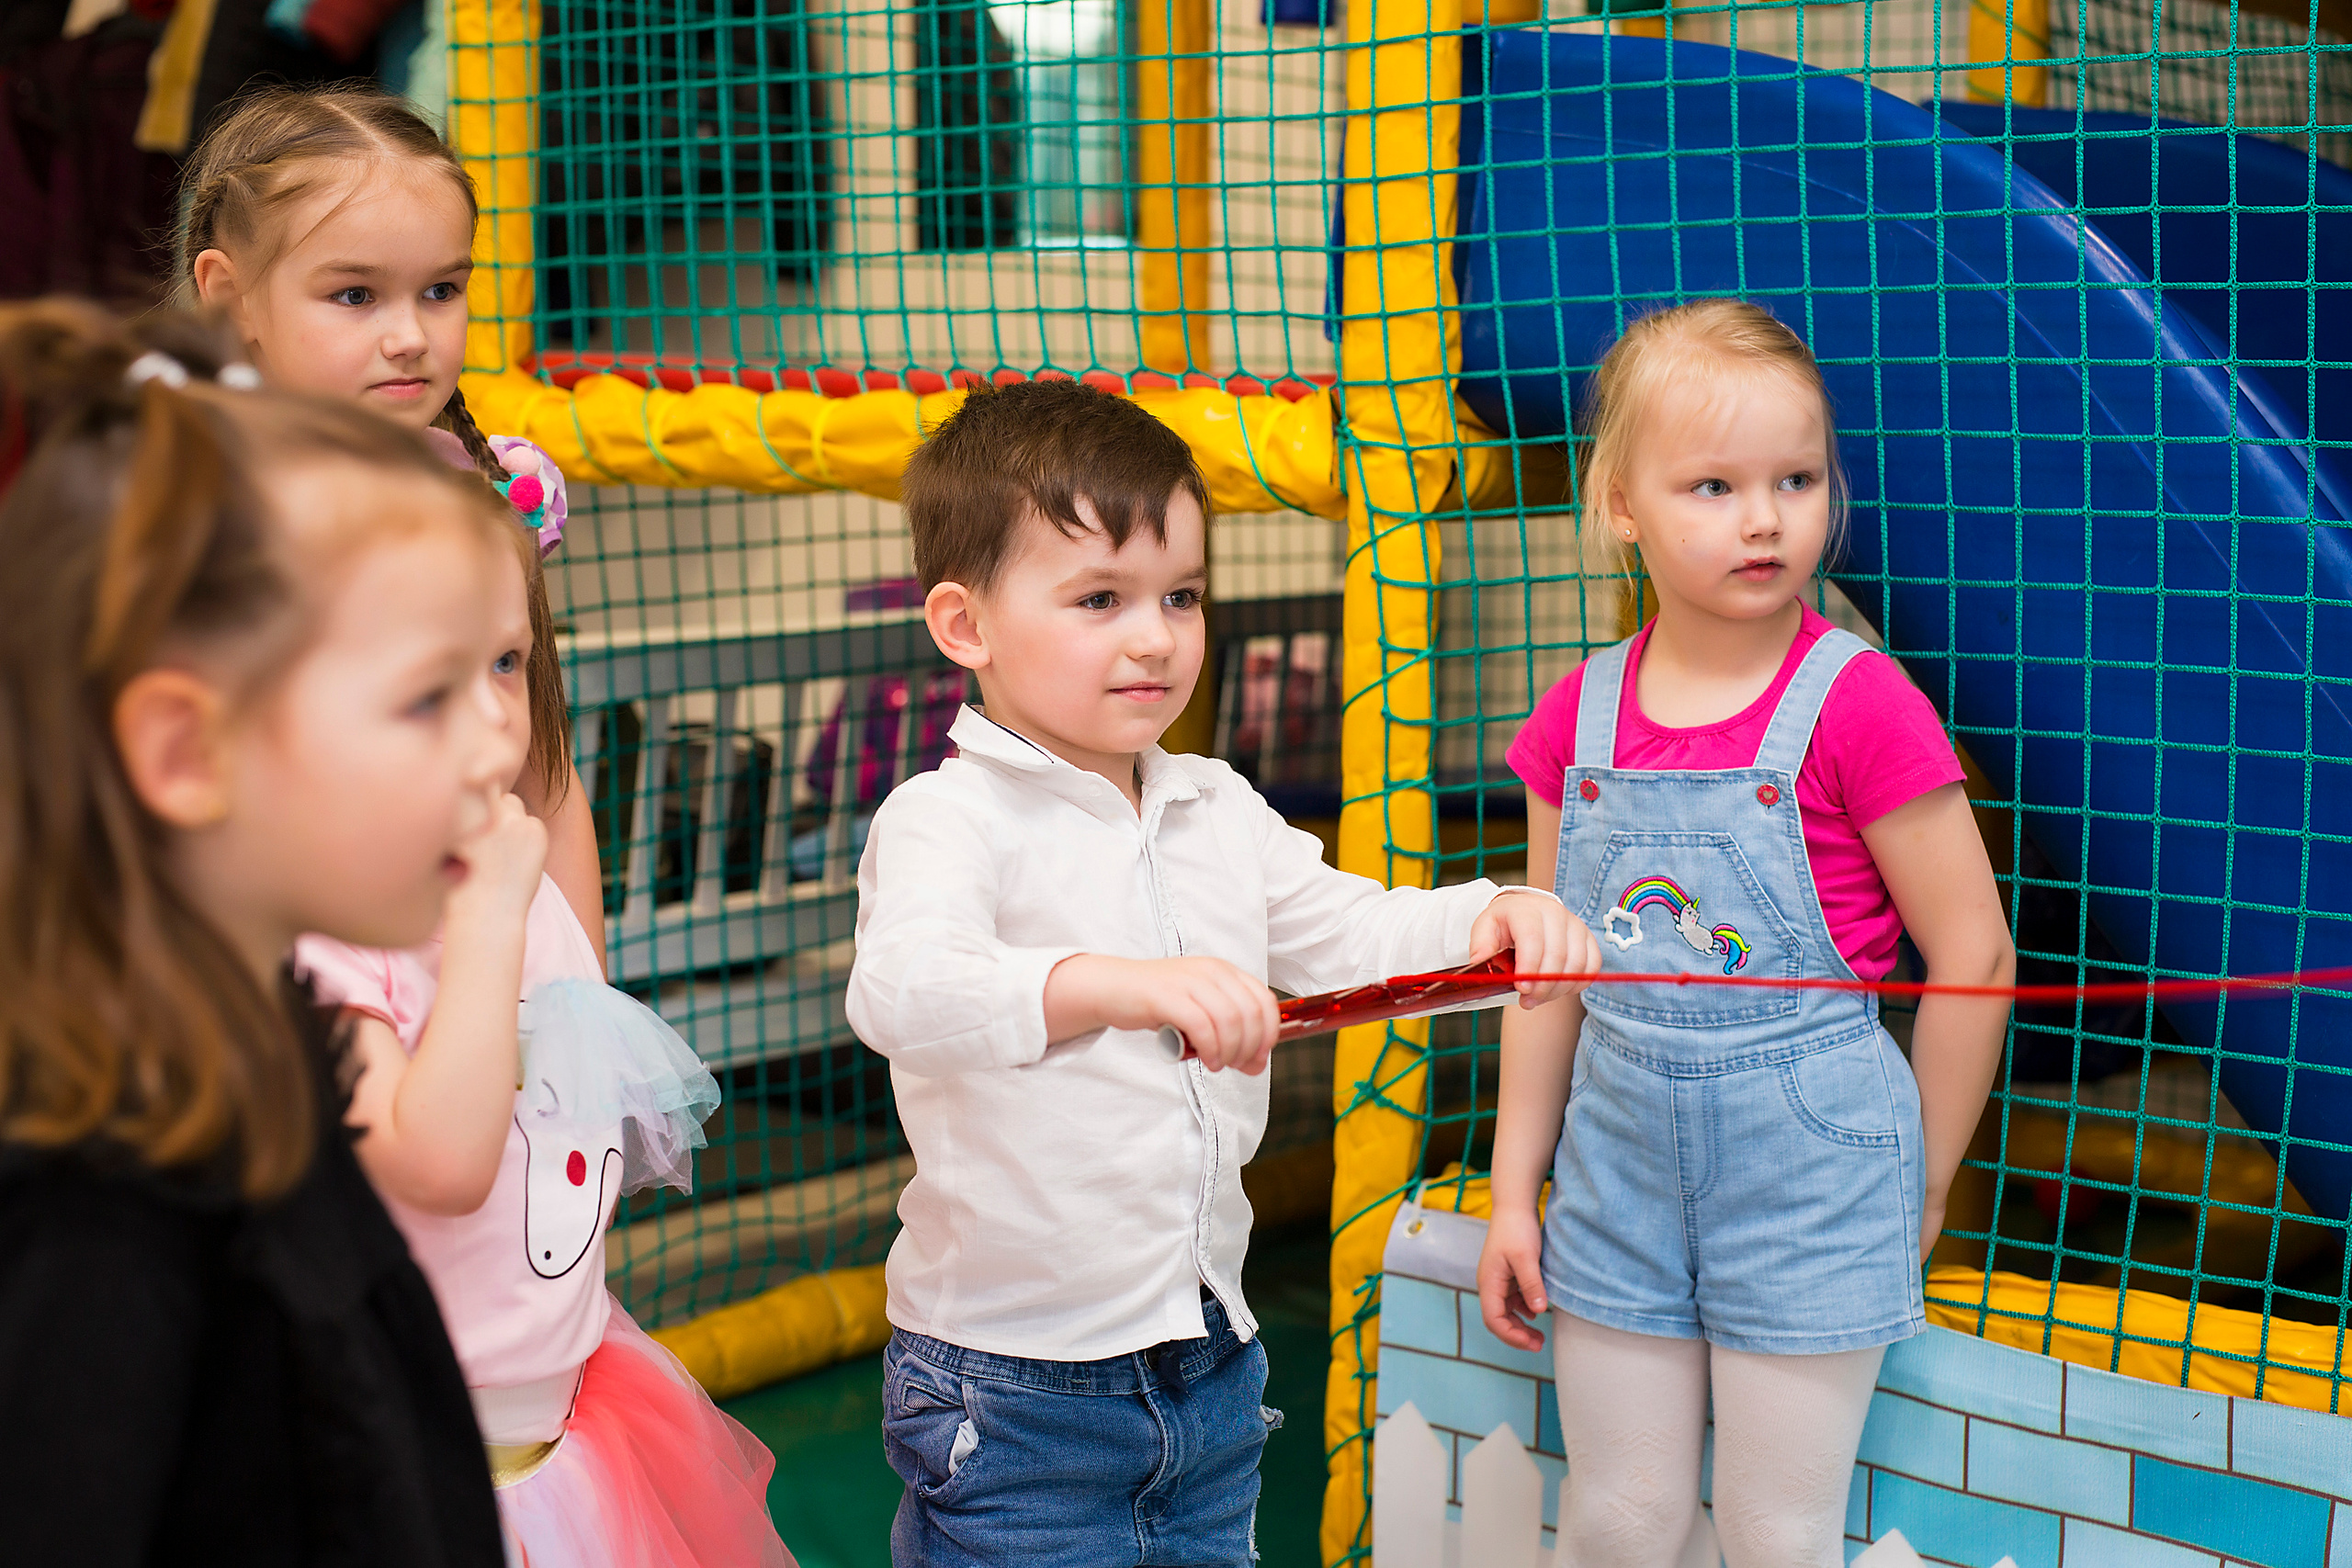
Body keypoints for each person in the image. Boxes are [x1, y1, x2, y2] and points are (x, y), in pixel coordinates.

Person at [846, 378, 1601, 1568]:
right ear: (965, 623)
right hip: (1014, 1380)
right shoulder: (947, 818)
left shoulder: (1215, 806)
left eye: (1181, 594)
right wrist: (1121, 982)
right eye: (1100, 597)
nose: (1155, 634)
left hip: (1207, 1356)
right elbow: (903, 992)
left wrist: (1495, 914)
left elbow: (1355, 929)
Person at [1477, 300, 2016, 1568]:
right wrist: (1514, 1189)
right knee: (1620, 1516)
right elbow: (1546, 976)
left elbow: (1976, 954)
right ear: (1622, 503)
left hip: (1815, 1168)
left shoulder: (1861, 701)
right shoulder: (1577, 714)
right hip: (1614, 1172)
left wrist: (1922, 1176)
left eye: (1798, 478)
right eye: (1713, 484)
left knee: (1778, 1534)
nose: (1765, 517)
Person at [0, 299, 521, 1565]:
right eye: (422, 697)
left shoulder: (266, 1041)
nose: (496, 741)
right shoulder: (95, 1196)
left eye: (492, 679)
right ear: (188, 747)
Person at [294, 514, 794, 1566]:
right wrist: (482, 920)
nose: (489, 715)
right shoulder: (332, 930)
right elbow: (433, 1162)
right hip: (408, 1468)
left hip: (572, 1440)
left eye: (508, 662)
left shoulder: (532, 884)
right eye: (429, 678)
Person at [174, 82, 602, 970]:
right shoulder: (197, 518)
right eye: (356, 295)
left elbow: (545, 777)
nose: (409, 335)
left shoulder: (484, 496)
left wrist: (585, 996)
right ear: (231, 298)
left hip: (487, 950)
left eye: (441, 289)